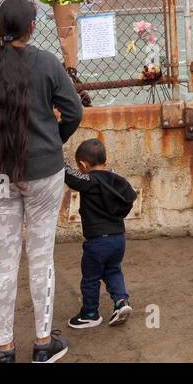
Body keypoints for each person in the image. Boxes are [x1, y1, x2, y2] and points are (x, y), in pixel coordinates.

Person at [0, 0, 84, 363]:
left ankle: (4, 348)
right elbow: (74, 111)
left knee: (3, 259)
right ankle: (43, 342)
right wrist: (53, 141)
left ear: (0, 26)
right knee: (40, 256)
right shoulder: (47, 63)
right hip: (43, 172)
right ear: (33, 26)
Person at [64, 138, 137, 329]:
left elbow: (70, 176)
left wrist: (55, 153)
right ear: (105, 159)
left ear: (83, 165)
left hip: (97, 242)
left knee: (90, 277)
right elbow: (130, 197)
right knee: (113, 270)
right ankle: (121, 302)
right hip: (118, 238)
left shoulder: (90, 181)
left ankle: (89, 313)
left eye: (80, 167)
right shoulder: (117, 180)